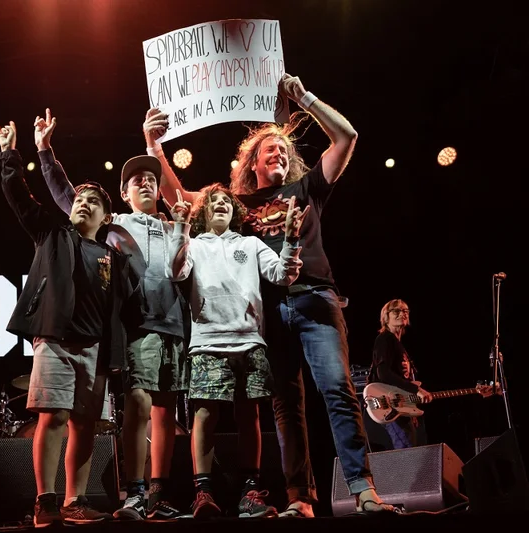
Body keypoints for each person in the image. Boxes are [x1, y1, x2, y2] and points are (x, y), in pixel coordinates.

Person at [148, 72, 402, 516]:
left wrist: (305, 99)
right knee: (286, 406)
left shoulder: (307, 189)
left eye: (285, 148)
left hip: (315, 300)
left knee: (337, 390)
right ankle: (299, 498)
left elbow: (346, 137)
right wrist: (155, 148)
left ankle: (362, 490)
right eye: (270, 149)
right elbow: (181, 195)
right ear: (253, 163)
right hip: (267, 313)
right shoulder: (237, 205)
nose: (280, 151)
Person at [33, 108, 193, 521]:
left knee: (166, 410)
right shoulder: (114, 224)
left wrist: (156, 147)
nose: (146, 181)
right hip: (135, 327)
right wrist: (46, 152)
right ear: (122, 195)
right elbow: (68, 198)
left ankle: (158, 492)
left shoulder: (175, 222)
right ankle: (134, 491)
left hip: (173, 324)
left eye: (152, 178)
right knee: (137, 404)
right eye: (136, 179)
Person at [0, 120, 136, 526]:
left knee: (85, 425)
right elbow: (18, 195)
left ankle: (76, 501)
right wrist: (11, 154)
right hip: (55, 340)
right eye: (80, 197)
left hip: (94, 348)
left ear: (106, 215)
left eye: (93, 200)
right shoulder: (51, 233)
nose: (84, 202)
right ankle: (46, 501)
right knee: (53, 417)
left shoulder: (114, 256)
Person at [179, 183, 306, 519]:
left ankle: (250, 492)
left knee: (248, 414)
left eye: (226, 201)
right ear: (205, 212)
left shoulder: (251, 244)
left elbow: (282, 275)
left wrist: (292, 238)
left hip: (249, 339)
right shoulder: (194, 244)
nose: (220, 204)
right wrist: (180, 232)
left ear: (235, 212)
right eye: (213, 202)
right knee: (205, 414)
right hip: (207, 339)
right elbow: (176, 272)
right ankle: (202, 492)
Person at [367, 300, 432, 449]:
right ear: (386, 316)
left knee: (411, 450)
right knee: (406, 452)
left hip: (402, 405)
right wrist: (416, 390)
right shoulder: (385, 339)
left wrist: (411, 403)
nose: (402, 314)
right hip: (390, 404)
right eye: (397, 311)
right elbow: (383, 373)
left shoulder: (398, 343)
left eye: (405, 311)